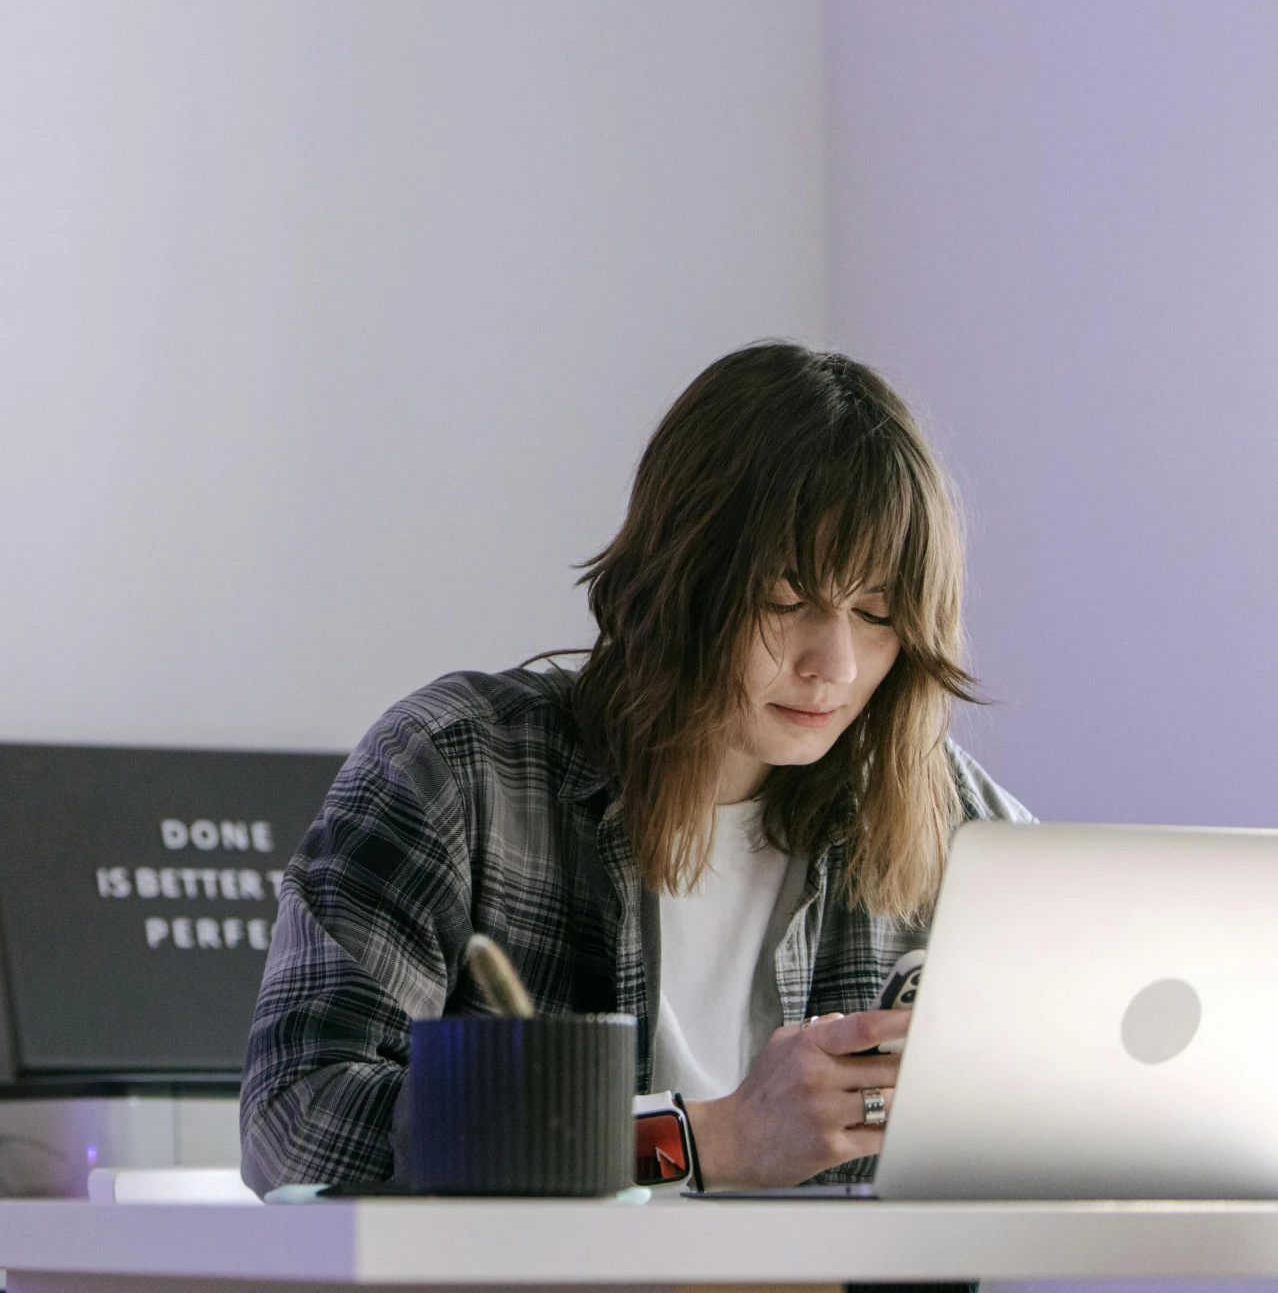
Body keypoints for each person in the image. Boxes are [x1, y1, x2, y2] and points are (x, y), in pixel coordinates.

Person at [240, 342, 1030, 1193]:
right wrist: (704, 1140)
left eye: (877, 613)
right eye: (786, 600)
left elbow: (1060, 1126)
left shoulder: (963, 829)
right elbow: (297, 1120)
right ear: (681, 574)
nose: (833, 662)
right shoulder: (461, 771)